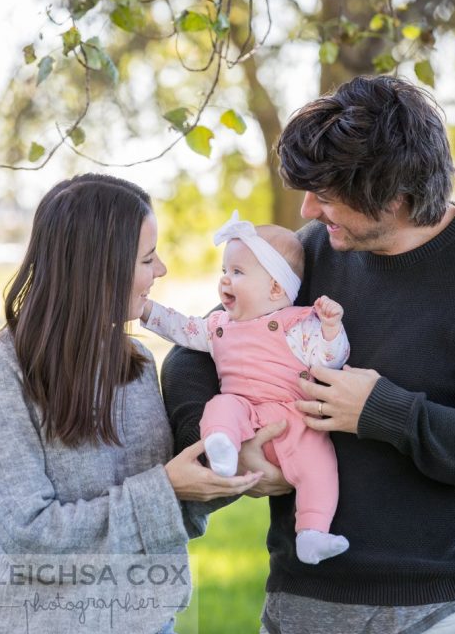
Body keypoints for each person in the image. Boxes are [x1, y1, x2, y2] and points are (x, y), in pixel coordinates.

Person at [161, 76, 455, 634]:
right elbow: (197, 348)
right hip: (291, 616)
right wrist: (233, 450)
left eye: (326, 194)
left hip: (423, 627)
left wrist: (386, 414)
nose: (308, 209)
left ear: (392, 195)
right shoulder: (313, 249)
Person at [0, 174, 261, 634]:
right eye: (146, 259)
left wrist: (227, 473)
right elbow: (32, 537)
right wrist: (167, 488)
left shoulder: (135, 362)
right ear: (97, 268)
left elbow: (166, 517)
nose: (161, 269)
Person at [142, 212, 352, 565]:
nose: (224, 281)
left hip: (292, 419)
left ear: (274, 287)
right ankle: (221, 446)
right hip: (244, 411)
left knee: (320, 464)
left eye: (237, 273)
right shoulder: (219, 327)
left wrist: (331, 328)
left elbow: (329, 358)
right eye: (224, 271)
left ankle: (312, 533)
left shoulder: (298, 325)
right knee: (221, 407)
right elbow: (181, 328)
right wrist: (147, 311)